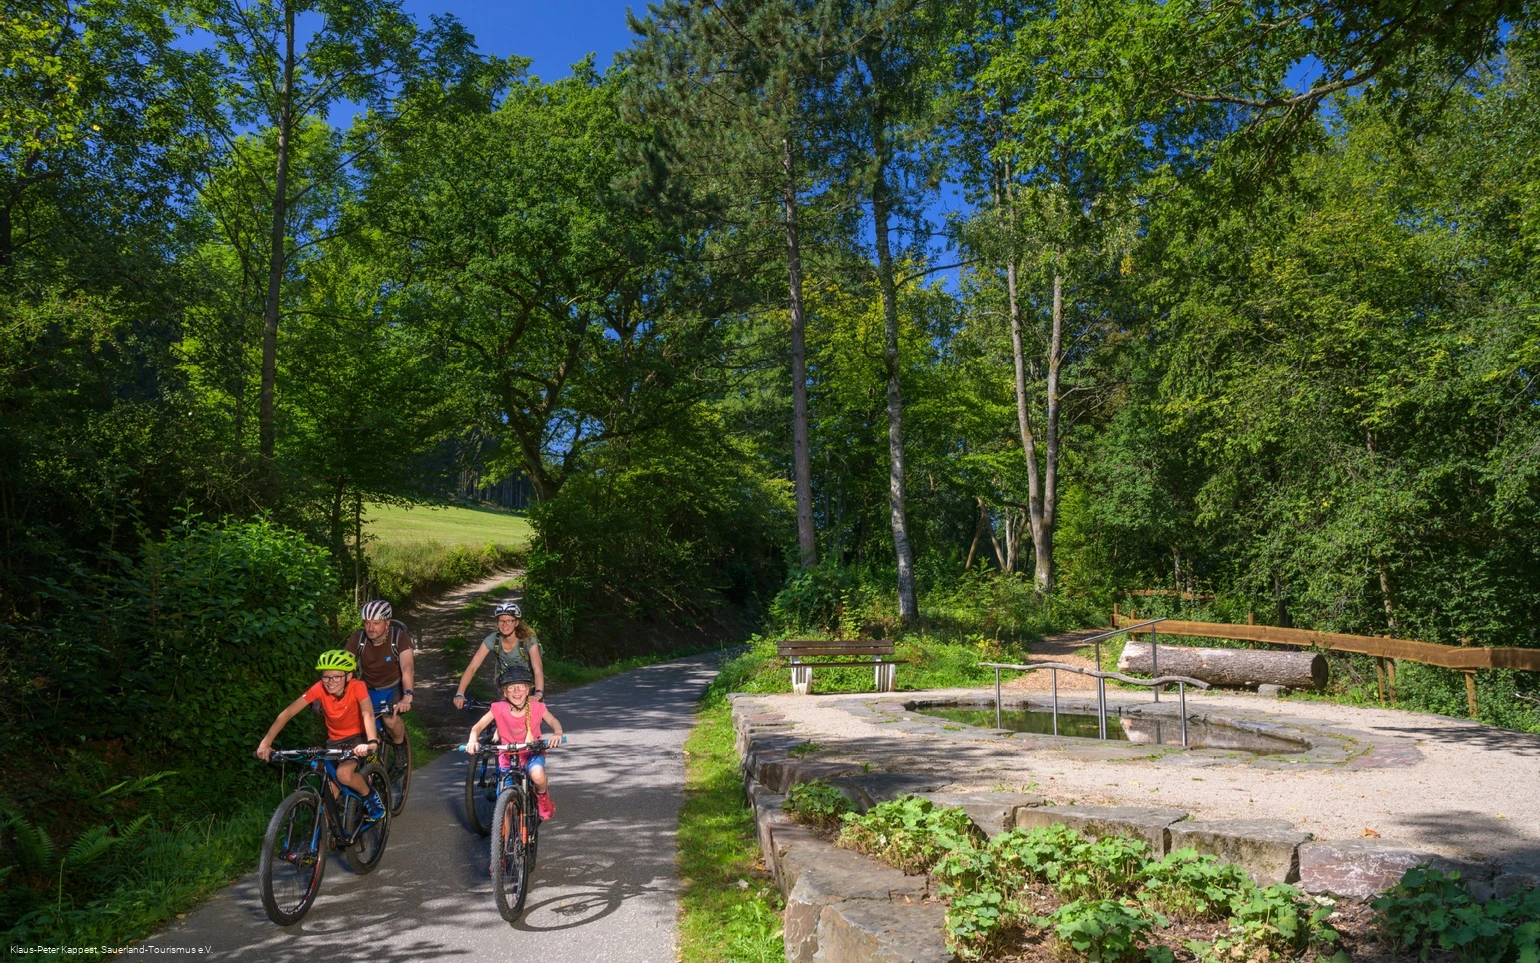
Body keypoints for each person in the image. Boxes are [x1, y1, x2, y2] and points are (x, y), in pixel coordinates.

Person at [255, 650, 386, 821]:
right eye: (326, 677)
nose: (330, 682)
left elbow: (367, 713)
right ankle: (321, 843)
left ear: (348, 676)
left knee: (344, 774)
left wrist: (371, 742)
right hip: (334, 742)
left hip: (358, 738)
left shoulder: (357, 686)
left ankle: (369, 796)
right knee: (327, 799)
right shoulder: (319, 688)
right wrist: (266, 743)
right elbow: (288, 713)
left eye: (337, 677)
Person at [465, 665, 563, 820]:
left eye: (521, 687)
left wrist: (557, 733)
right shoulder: (498, 708)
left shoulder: (537, 707)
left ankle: (543, 797)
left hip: (532, 753)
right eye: (511, 688)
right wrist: (473, 739)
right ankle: (503, 841)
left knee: (537, 775)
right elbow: (478, 726)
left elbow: (553, 721)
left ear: (528, 689)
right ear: (504, 692)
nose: (517, 691)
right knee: (504, 804)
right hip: (507, 756)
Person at [344, 600, 415, 757]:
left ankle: (399, 748)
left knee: (390, 720)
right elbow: (342, 667)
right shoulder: (358, 639)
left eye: (376, 623)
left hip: (394, 688)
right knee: (363, 730)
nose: (370, 628)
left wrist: (408, 695)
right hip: (368, 689)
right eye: (367, 623)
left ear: (387, 623)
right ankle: (371, 770)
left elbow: (407, 668)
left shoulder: (400, 638)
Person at [453, 600, 545, 709]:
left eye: (509, 621)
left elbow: (537, 668)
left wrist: (538, 693)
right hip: (505, 687)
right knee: (500, 720)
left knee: (530, 722)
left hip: (527, 687)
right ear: (497, 622)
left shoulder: (528, 641)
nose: (505, 624)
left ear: (516, 623)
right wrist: (460, 693)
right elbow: (473, 667)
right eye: (501, 621)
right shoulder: (493, 640)